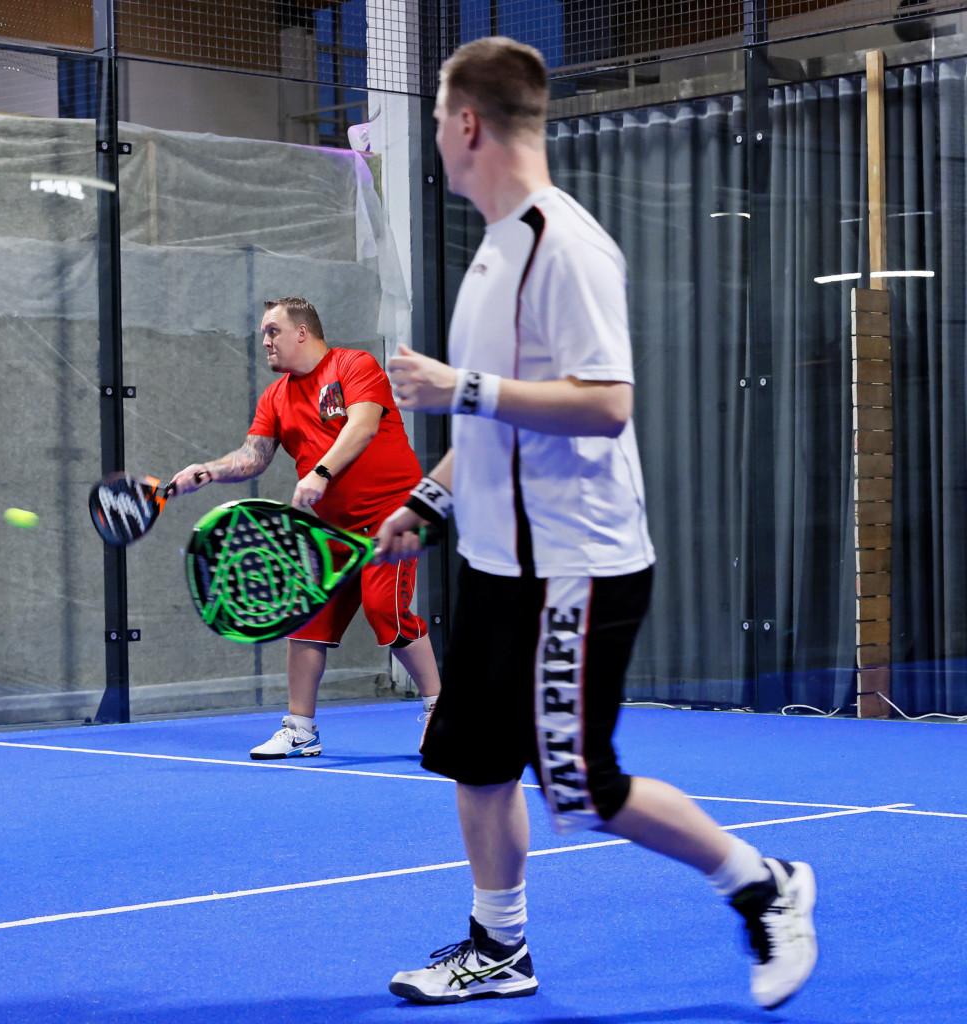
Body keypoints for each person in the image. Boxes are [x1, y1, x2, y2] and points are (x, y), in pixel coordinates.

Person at [374, 37, 818, 1011]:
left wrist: (462, 388)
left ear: (465, 124)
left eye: (438, 122)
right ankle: (500, 946)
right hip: (499, 568)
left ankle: (764, 884)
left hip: (576, 568)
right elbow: (504, 423)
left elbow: (605, 400)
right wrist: (428, 501)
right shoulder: (493, 252)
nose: (438, 143)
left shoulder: (562, 247)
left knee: (581, 785)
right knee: (476, 761)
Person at [171, 297, 441, 759]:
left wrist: (320, 472)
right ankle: (300, 729)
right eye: (262, 334)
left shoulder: (353, 364)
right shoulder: (275, 397)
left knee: (384, 609)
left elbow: (363, 425)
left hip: (393, 515)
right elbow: (253, 456)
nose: (266, 342)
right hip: (333, 530)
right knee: (308, 617)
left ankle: (443, 708)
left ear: (302, 332)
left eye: (273, 331)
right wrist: (208, 470)